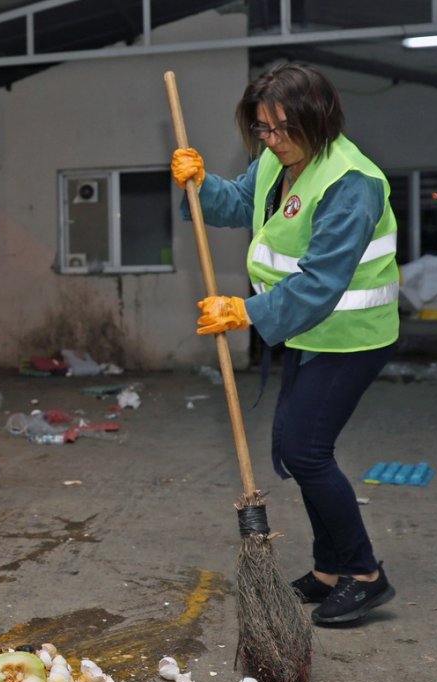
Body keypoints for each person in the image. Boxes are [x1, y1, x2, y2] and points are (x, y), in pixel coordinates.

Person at [171, 62, 399, 625]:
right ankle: (329, 570)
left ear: (318, 118)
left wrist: (244, 311)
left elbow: (321, 283)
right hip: (308, 331)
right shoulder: (277, 160)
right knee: (295, 450)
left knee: (305, 451)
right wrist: (199, 182)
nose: (272, 140)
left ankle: (365, 575)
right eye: (263, 128)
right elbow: (235, 204)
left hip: (351, 337)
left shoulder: (351, 182)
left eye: (283, 128)